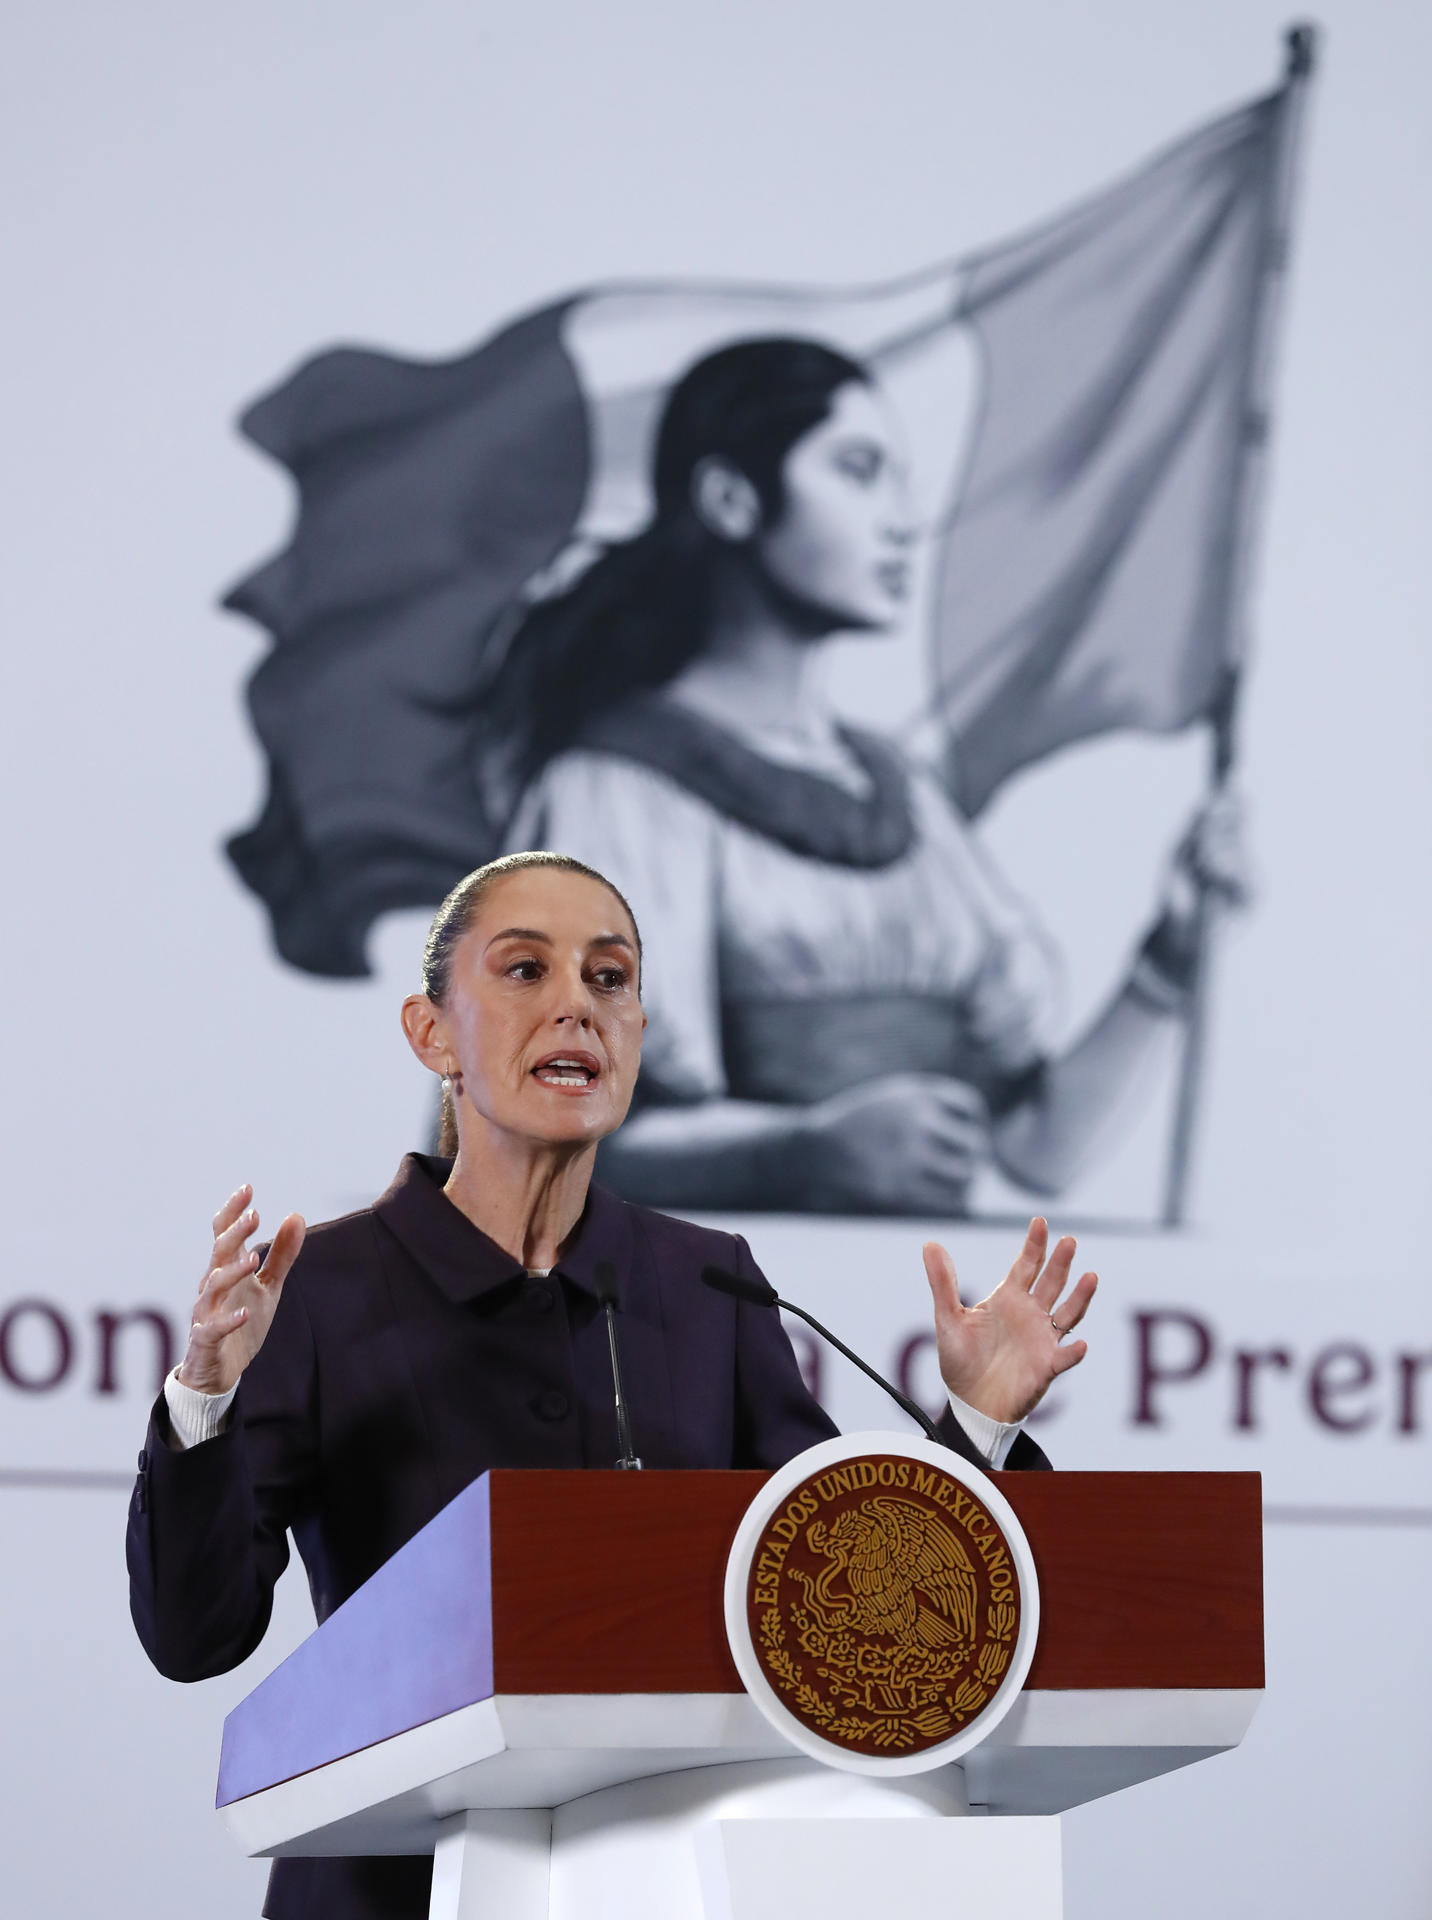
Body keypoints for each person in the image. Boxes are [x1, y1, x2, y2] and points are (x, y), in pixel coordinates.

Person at [127, 851, 1096, 1920]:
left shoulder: (705, 1281)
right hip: (391, 1890)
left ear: (639, 1034)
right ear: (431, 1033)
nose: (576, 1009)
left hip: (665, 1886)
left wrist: (977, 1421)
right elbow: (194, 1633)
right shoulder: (322, 1291)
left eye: (609, 978)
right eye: (525, 970)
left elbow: (851, 1605)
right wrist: (206, 1394)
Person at [499, 338, 1246, 1214]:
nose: (902, 520)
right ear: (731, 499)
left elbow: (1035, 1153)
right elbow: (548, 1135)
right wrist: (798, 1151)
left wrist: (1168, 962)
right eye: (859, 471)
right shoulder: (611, 791)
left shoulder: (907, 801)